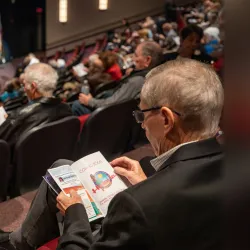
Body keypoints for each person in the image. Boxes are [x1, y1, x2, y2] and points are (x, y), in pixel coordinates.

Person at [0, 58, 224, 250]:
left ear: (165, 119)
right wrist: (148, 183)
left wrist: (75, 212)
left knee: (67, 186)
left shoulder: (135, 203)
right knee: (63, 166)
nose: (143, 125)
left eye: (142, 115)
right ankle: (18, 241)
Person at [72, 41, 163, 116]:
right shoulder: (156, 74)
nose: (132, 58)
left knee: (77, 105)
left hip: (115, 116)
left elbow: (113, 104)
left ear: (147, 60)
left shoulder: (137, 81)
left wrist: (90, 101)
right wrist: (133, 72)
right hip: (122, 105)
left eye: (135, 55)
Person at [0, 63, 72, 150]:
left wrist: (8, 122)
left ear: (33, 87)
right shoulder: (66, 108)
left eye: (24, 84)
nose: (24, 88)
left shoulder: (18, 117)